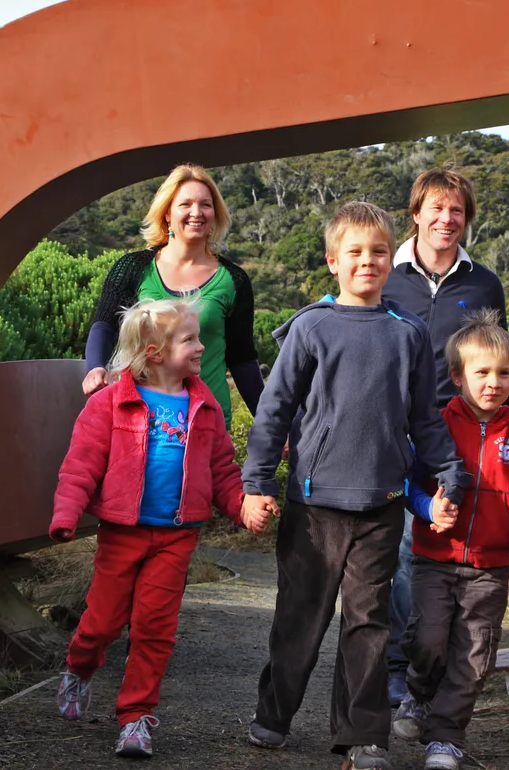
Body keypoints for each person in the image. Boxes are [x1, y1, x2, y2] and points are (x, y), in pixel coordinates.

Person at [240, 201, 469, 770]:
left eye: (379, 252)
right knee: (301, 617)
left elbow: (425, 419)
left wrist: (449, 475)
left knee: (369, 622)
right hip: (313, 505)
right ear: (332, 261)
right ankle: (273, 715)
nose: (368, 261)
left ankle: (363, 736)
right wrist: (256, 481)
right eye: (356, 252)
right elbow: (274, 410)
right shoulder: (311, 327)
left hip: (382, 505)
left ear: (392, 259)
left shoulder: (408, 333)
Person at [49, 298, 271, 758]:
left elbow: (223, 472)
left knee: (155, 627)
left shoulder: (204, 406)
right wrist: (66, 516)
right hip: (122, 533)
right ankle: (78, 668)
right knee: (102, 623)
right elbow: (80, 467)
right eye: (189, 338)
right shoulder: (112, 402)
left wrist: (243, 508)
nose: (201, 346)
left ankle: (135, 718)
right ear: (153, 352)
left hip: (175, 536)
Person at [391, 310, 509, 770]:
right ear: (457, 376)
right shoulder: (435, 429)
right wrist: (426, 508)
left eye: (504, 373)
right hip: (435, 559)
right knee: (430, 640)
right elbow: (408, 486)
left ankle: (445, 738)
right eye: (482, 372)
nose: (493, 383)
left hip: (491, 568)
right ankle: (418, 691)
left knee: (475, 654)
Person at [381, 168, 509, 705]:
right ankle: (394, 664)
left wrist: (503, 434)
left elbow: (495, 360)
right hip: (390, 426)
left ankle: (415, 666)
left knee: (427, 545)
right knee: (392, 549)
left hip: (452, 433)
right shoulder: (385, 275)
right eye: (436, 208)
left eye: (456, 210)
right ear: (416, 214)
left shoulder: (483, 283)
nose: (446, 219)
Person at [82, 164, 263, 428]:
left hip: (207, 421)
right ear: (167, 213)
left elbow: (242, 359)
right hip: (142, 422)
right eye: (185, 204)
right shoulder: (134, 268)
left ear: (215, 213)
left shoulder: (233, 280)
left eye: (205, 205)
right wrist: (95, 366)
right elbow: (105, 324)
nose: (196, 213)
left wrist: (272, 424)